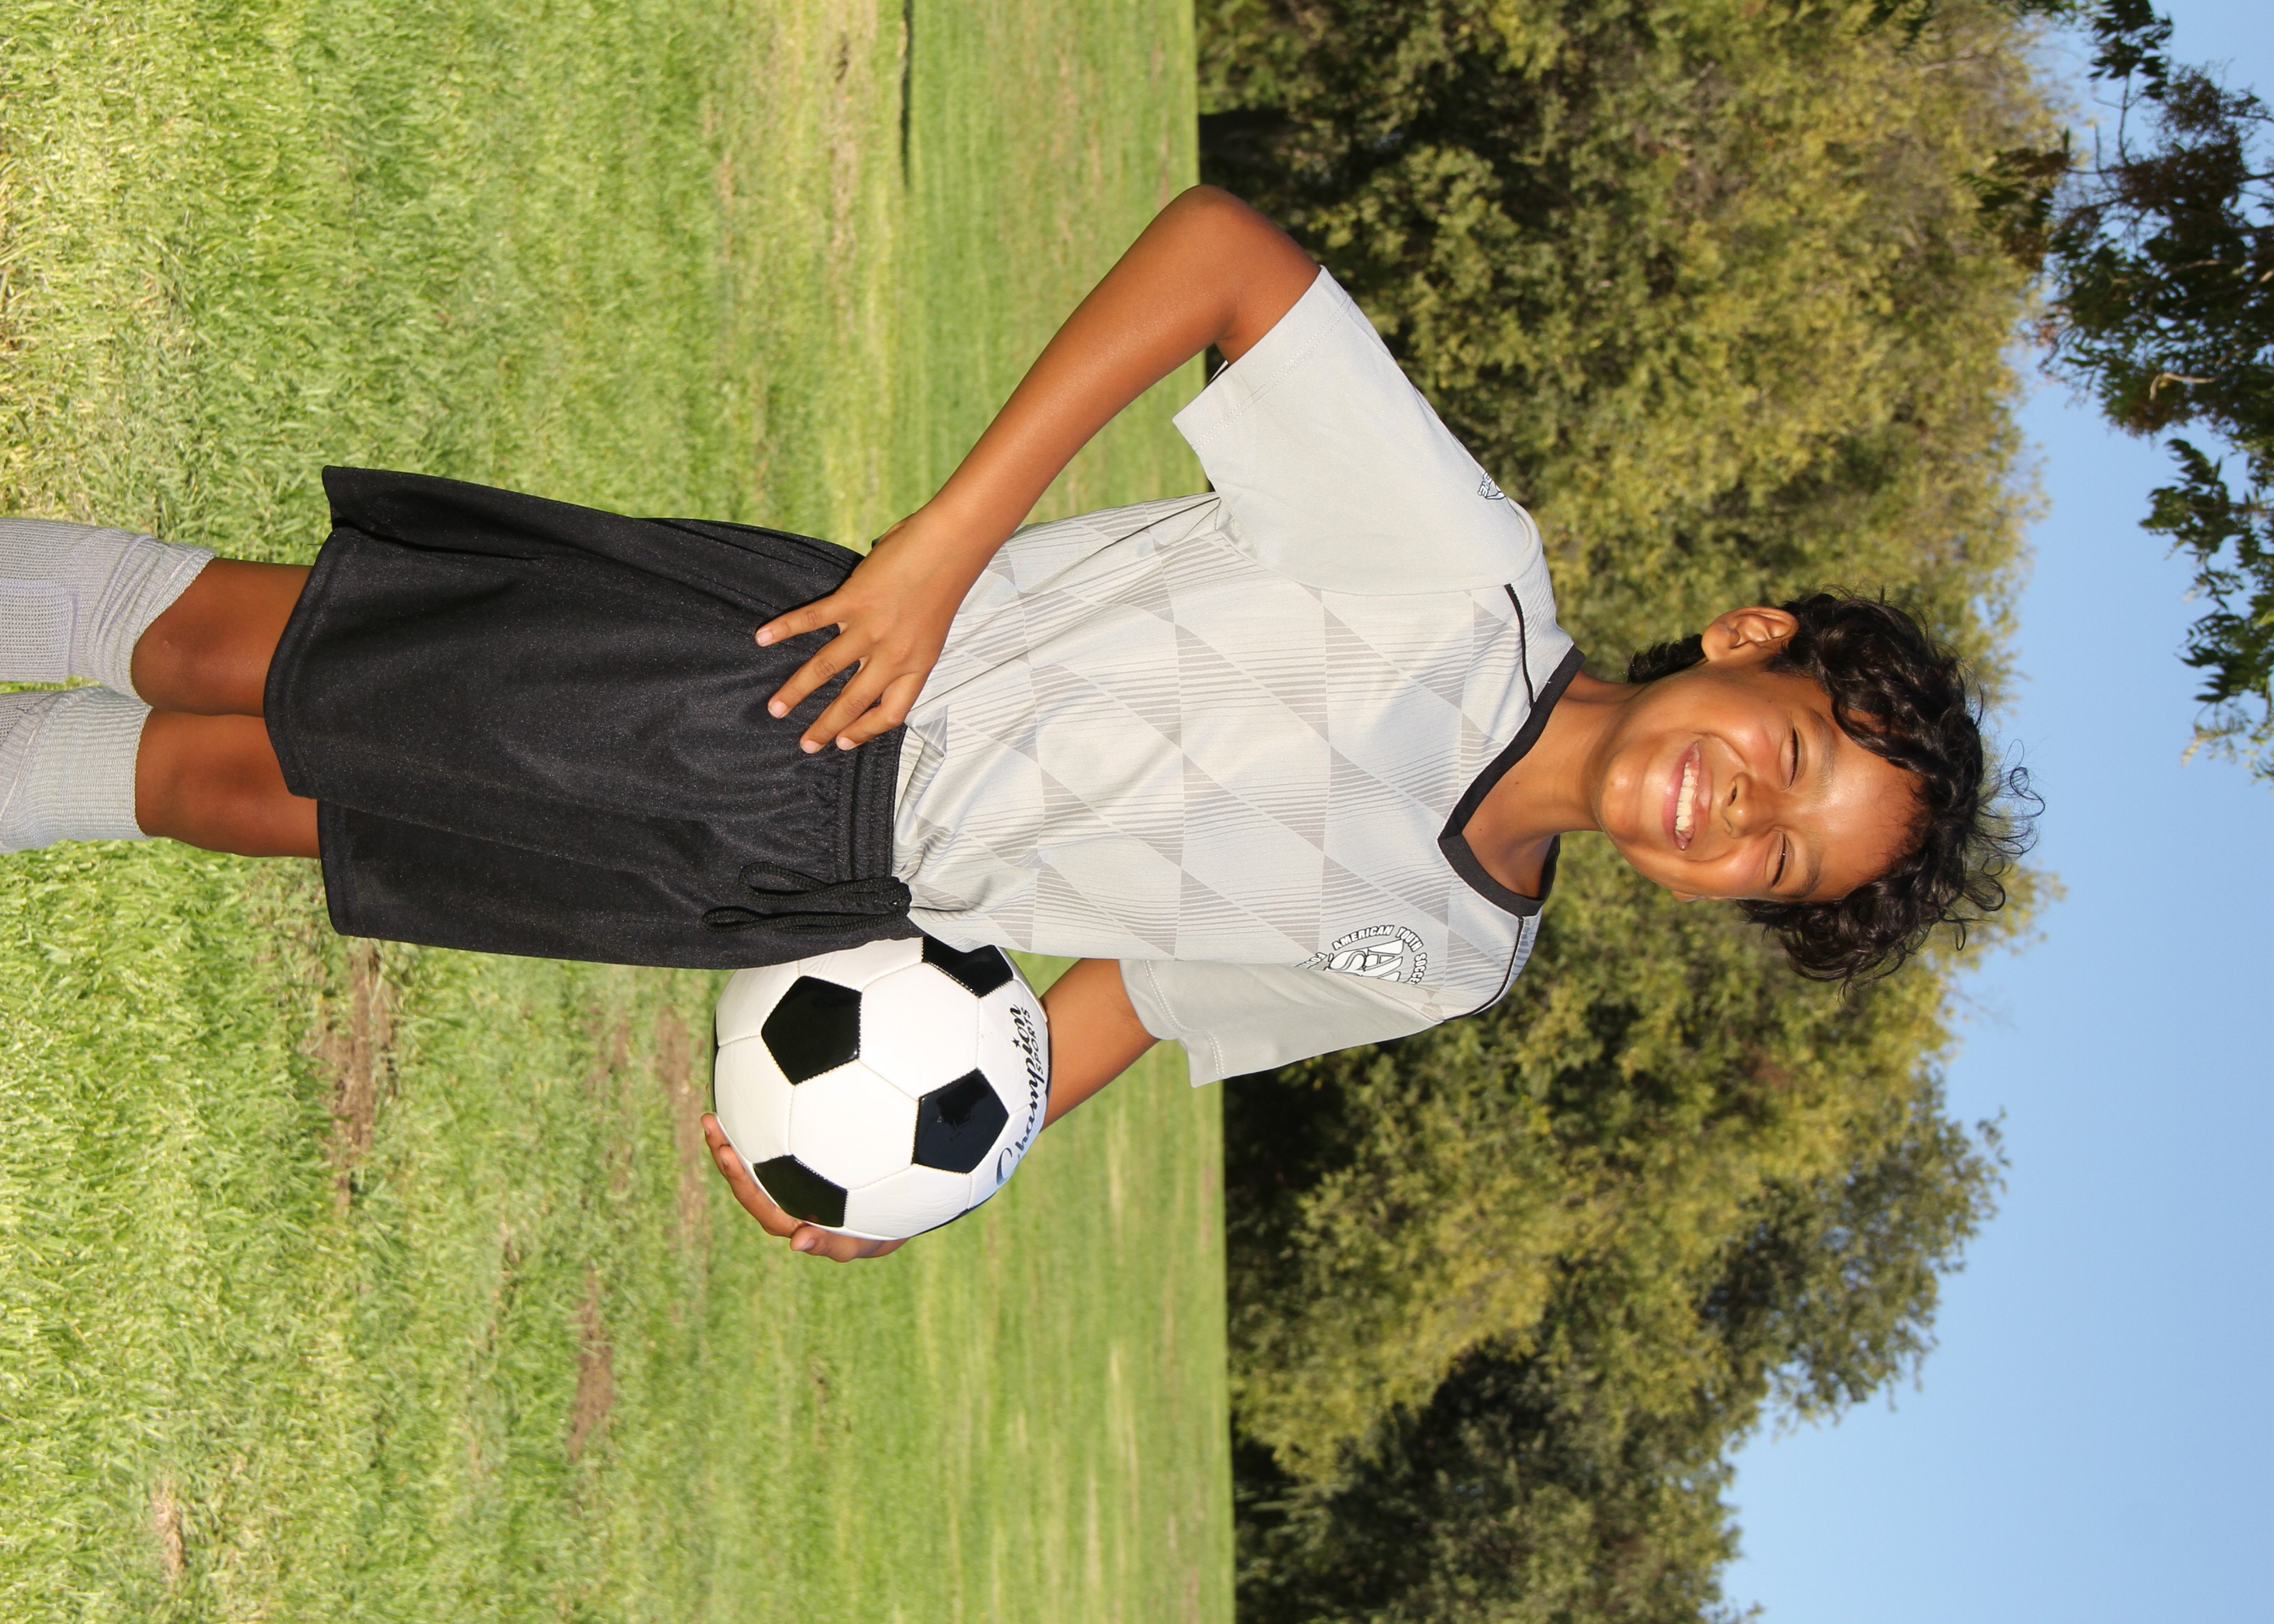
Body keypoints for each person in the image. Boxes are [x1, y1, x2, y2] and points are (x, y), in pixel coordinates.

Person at [0, 186, 2021, 1260]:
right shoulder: (1459, 573)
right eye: (1787, 754)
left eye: (1777, 860)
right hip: (817, 677)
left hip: (817, 896)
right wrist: (939, 550)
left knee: (288, 806)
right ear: (1748, 641)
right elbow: (1221, 260)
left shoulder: (1448, 959)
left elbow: (1145, 980)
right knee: (255, 650)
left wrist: (945, 1157)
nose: (1734, 810)